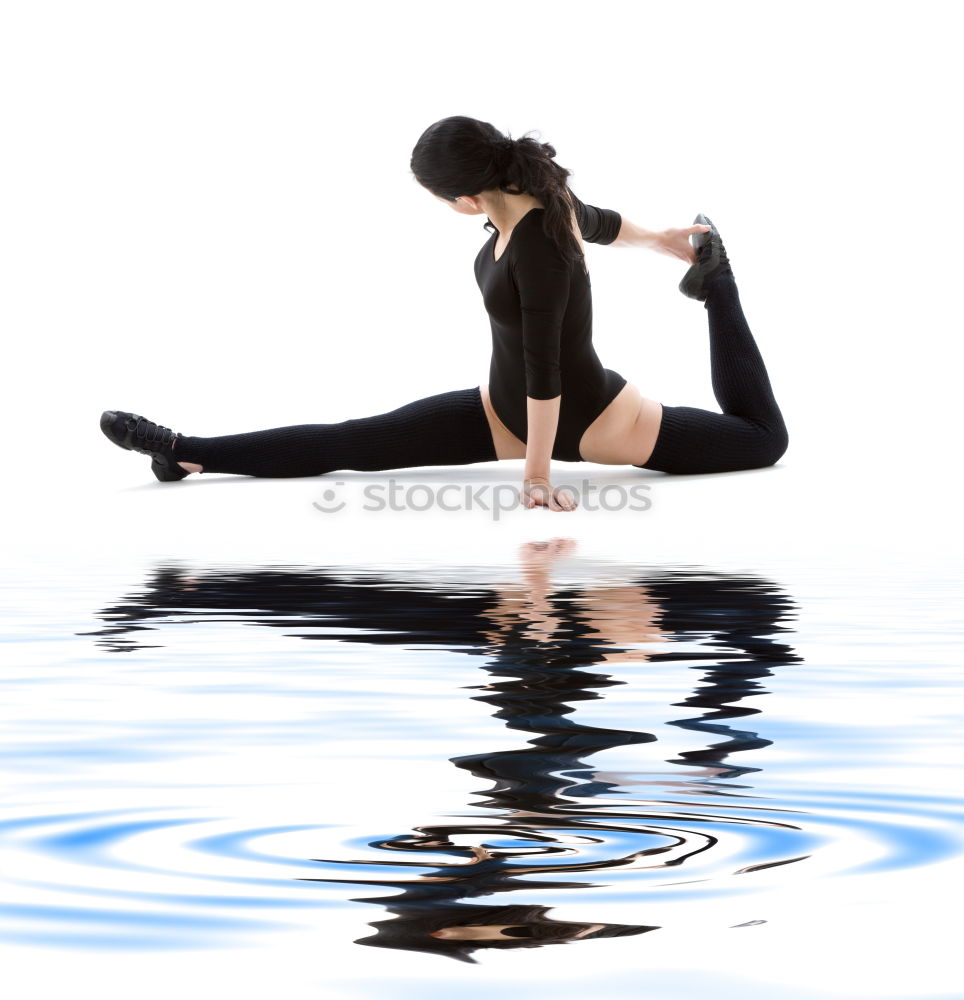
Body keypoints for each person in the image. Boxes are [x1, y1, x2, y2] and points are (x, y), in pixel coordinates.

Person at [100, 115, 788, 512]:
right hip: (504, 407)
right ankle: (185, 453)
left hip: (590, 421)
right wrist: (659, 239)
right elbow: (600, 221)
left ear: (462, 197)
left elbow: (547, 373)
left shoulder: (541, 251)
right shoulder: (537, 204)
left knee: (762, 440)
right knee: (353, 443)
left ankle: (717, 291)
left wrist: (539, 475)